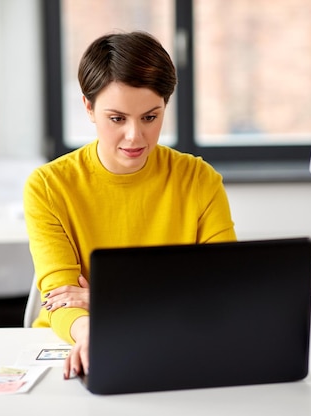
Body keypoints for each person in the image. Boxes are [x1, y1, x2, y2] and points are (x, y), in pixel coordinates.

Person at [23, 31, 236, 379]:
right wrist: (94, 332)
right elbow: (61, 300)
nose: (135, 136)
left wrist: (112, 301)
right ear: (89, 108)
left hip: (177, 342)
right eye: (117, 118)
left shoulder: (199, 179)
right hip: (69, 345)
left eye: (150, 117)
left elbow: (225, 291)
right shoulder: (49, 186)